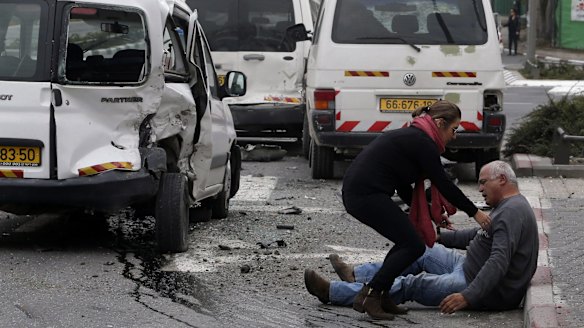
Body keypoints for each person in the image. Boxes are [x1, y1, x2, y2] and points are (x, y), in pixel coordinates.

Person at [305, 160, 539, 314]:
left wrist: (468, 297)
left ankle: (333, 292)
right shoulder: (509, 206)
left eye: (483, 182)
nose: (479, 189)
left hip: (481, 287)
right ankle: (356, 274)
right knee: (421, 249)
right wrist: (438, 237)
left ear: (502, 180)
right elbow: (479, 234)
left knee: (412, 284)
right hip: (468, 266)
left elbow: (498, 262)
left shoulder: (511, 212)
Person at [339, 100, 491, 320]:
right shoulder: (422, 142)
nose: (455, 135)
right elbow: (443, 183)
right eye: (454, 129)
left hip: (364, 193)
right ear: (439, 123)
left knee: (408, 243)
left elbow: (402, 186)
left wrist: (430, 214)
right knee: (413, 244)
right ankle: (370, 295)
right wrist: (475, 213)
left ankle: (380, 294)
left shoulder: (416, 136)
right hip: (364, 195)